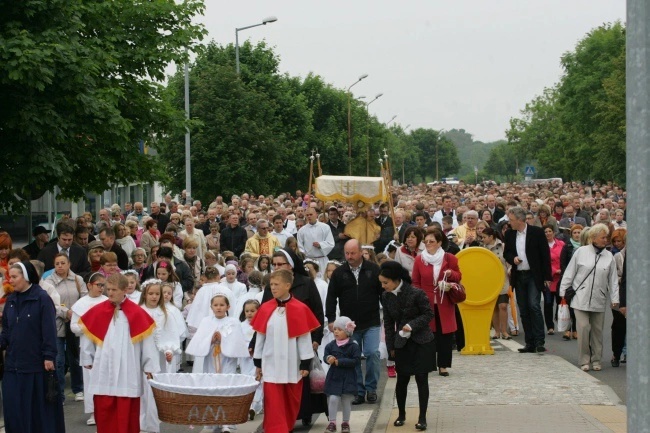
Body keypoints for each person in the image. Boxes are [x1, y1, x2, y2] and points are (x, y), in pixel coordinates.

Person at [79, 273, 159, 433]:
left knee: (126, 408)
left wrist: (149, 366)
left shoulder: (137, 313)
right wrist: (87, 356)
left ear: (125, 290)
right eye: (107, 289)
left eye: (114, 289)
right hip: (104, 365)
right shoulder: (98, 311)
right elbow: (88, 335)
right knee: (104, 407)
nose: (110, 293)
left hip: (128, 367)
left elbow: (147, 343)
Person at [252, 269, 320, 433]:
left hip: (292, 363)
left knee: (291, 399)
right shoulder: (266, 308)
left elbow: (304, 338)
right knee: (273, 399)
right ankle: (276, 429)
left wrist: (305, 363)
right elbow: (260, 336)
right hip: (271, 362)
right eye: (271, 285)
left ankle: (285, 426)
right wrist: (258, 362)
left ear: (288, 285)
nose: (273, 288)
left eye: (276, 285)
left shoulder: (300, 308)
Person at [0, 261, 64, 433]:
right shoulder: (11, 300)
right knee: (14, 410)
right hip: (13, 366)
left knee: (37, 412)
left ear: (26, 277)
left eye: (14, 277)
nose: (10, 281)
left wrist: (49, 356)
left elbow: (49, 330)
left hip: (36, 366)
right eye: (9, 277)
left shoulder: (42, 298)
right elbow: (6, 331)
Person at [380, 260, 435, 431]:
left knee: (421, 378)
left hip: (422, 341)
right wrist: (391, 347)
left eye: (385, 282)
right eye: (381, 283)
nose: (383, 286)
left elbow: (428, 314)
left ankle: (422, 417)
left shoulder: (416, 293)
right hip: (401, 342)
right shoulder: (386, 296)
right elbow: (388, 324)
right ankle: (401, 414)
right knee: (402, 379)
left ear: (396, 279)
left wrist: (412, 325)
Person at [326, 239, 382, 405]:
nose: (349, 256)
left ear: (360, 252)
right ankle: (358, 390)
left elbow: (382, 293)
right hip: (349, 324)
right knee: (353, 357)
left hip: (371, 320)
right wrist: (331, 318)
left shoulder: (373, 269)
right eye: (347, 253)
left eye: (353, 253)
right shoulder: (339, 273)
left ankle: (371, 388)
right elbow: (331, 297)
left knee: (372, 353)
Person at [559, 224, 619, 372]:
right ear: (594, 238)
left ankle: (597, 359)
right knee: (584, 328)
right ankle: (584, 360)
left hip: (599, 299)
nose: (606, 240)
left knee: (597, 331)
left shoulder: (609, 256)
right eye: (603, 237)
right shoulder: (581, 252)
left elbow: (613, 280)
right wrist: (562, 292)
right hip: (580, 298)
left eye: (607, 237)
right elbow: (569, 273)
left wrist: (614, 298)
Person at [411, 228, 462, 376]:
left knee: (444, 334)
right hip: (426, 302)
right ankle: (428, 363)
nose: (428, 244)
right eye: (426, 242)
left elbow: (459, 276)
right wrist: (419, 298)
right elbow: (415, 281)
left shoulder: (449, 258)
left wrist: (450, 273)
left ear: (439, 242)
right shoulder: (419, 259)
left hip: (444, 300)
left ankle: (443, 365)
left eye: (431, 241)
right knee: (428, 333)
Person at [504, 206, 552, 354]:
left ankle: (539, 341)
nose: (509, 223)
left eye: (511, 220)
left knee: (534, 306)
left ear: (520, 220)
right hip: (519, 275)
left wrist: (547, 277)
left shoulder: (536, 232)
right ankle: (529, 342)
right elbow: (507, 253)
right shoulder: (510, 234)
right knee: (523, 309)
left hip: (533, 275)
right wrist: (513, 259)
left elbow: (545, 255)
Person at [44, 252, 88, 403]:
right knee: (59, 360)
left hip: (74, 322)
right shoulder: (48, 281)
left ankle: (78, 388)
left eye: (63, 263)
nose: (60, 266)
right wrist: (65, 312)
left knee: (75, 357)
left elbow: (84, 296)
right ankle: (59, 393)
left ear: (69, 264)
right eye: (57, 264)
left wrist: (75, 313)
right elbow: (50, 303)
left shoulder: (77, 279)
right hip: (56, 323)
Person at [70, 272, 108, 426]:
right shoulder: (81, 303)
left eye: (103, 285)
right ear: (89, 285)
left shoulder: (107, 301)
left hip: (105, 345)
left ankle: (106, 411)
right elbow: (73, 326)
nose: (101, 288)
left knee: (106, 378)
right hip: (87, 345)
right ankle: (94, 412)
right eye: (98, 285)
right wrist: (87, 325)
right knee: (90, 379)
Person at [323, 316, 361, 433]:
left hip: (348, 377)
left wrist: (340, 361)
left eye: (339, 330)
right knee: (333, 399)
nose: (336, 332)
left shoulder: (353, 345)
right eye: (334, 329)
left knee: (346, 400)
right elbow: (325, 356)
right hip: (334, 376)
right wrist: (328, 358)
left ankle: (345, 422)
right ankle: (332, 422)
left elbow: (356, 361)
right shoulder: (330, 345)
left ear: (347, 332)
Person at [480, 227, 511, 339]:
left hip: (503, 279)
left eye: (484, 237)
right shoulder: (482, 249)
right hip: (490, 280)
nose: (482, 239)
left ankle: (504, 331)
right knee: (494, 307)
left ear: (491, 237)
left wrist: (510, 270)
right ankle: (497, 331)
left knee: (503, 305)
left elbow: (508, 260)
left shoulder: (502, 246)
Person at [559, 224, 584, 340]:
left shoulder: (585, 247)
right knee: (568, 305)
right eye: (575, 233)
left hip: (581, 280)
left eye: (579, 232)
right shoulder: (567, 246)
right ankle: (567, 330)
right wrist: (566, 276)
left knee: (577, 306)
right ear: (571, 234)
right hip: (570, 279)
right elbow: (563, 263)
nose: (577, 235)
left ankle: (576, 329)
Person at [298, 207, 335, 279]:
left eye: (311, 214)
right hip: (309, 261)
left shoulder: (325, 227)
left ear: (316, 215)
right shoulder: (301, 230)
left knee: (325, 280)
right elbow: (300, 247)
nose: (309, 216)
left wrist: (320, 245)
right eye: (307, 215)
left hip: (322, 260)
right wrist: (304, 256)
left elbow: (331, 243)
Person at [543, 224, 565, 335]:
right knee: (548, 303)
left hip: (561, 279)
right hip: (548, 279)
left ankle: (561, 322)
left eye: (549, 231)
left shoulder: (561, 244)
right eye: (545, 232)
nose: (547, 233)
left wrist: (562, 269)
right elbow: (542, 261)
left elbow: (565, 257)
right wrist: (554, 270)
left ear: (553, 232)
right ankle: (550, 326)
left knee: (561, 302)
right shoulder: (542, 246)